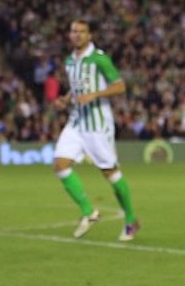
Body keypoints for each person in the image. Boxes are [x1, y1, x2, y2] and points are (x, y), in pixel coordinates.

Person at [52, 19, 140, 241]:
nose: (77, 35)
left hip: (97, 124)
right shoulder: (70, 61)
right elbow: (76, 89)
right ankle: (88, 211)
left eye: (82, 31)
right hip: (76, 122)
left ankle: (131, 219)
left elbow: (120, 86)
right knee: (60, 165)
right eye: (74, 31)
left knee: (109, 172)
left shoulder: (100, 58)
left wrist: (95, 94)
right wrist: (65, 100)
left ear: (89, 35)